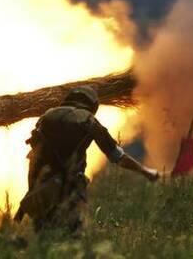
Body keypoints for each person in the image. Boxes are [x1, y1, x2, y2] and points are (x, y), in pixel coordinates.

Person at [13, 85, 159, 233]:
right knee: (72, 235)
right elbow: (118, 156)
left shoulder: (46, 117)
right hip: (70, 189)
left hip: (43, 189)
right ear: (92, 104)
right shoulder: (89, 121)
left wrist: (31, 193)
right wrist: (145, 171)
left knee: (43, 235)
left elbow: (35, 158)